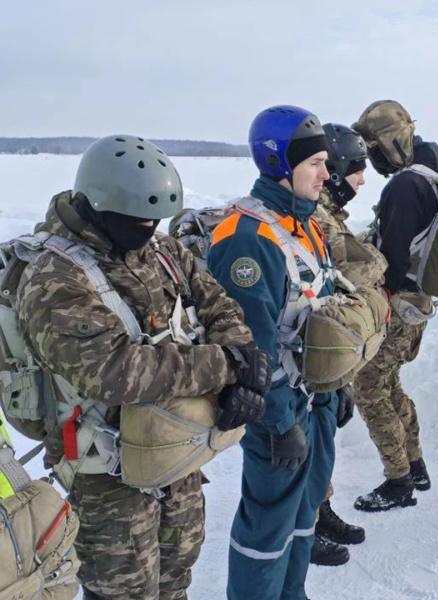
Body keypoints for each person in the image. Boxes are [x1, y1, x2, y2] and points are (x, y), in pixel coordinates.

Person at [15, 135, 268, 599]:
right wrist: (226, 364)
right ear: (98, 206)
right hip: (105, 479)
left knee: (176, 577)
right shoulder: (54, 277)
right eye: (138, 221)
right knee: (124, 593)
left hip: (177, 454)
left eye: (155, 220)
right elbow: (113, 370)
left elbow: (220, 308)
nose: (149, 229)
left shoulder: (164, 252)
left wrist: (242, 364)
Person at [208, 106, 339, 599]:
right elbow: (250, 347)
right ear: (279, 164)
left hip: (312, 400)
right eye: (316, 164)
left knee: (304, 513)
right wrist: (280, 422)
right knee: (267, 530)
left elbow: (317, 310)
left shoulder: (305, 223)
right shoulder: (248, 238)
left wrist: (332, 388)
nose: (327, 175)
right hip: (276, 409)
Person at [349, 100, 438, 512]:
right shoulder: (431, 169)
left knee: (368, 387)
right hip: (418, 302)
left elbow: (390, 260)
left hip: (399, 305)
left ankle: (398, 481)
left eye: (373, 149)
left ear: (388, 143)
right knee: (387, 383)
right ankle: (415, 465)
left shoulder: (405, 186)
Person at [308, 122, 387, 565]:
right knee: (307, 441)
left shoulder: (328, 214)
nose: (362, 178)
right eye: (356, 170)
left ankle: (320, 507)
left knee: (321, 439)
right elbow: (350, 277)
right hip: (305, 351)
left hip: (325, 349)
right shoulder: (316, 218)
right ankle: (308, 521)